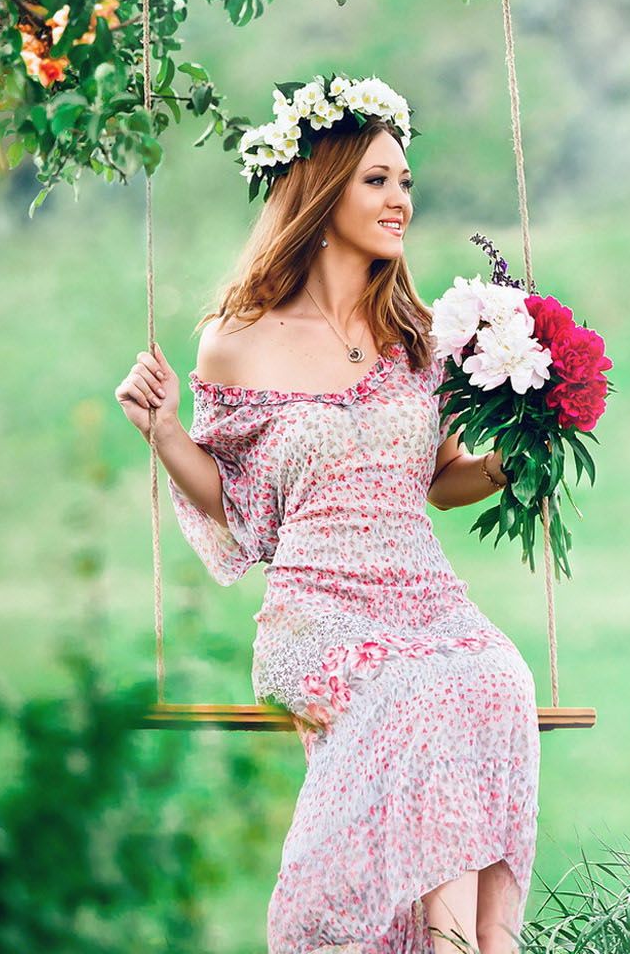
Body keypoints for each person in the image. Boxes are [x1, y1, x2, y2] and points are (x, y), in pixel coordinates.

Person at [113, 74, 539, 954]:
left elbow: (441, 478)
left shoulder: (420, 334)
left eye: (407, 182)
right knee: (420, 693)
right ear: (321, 187)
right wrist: (162, 433)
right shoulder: (239, 334)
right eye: (378, 179)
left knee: (498, 679)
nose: (401, 201)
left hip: (427, 596)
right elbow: (234, 498)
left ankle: (482, 944)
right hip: (320, 610)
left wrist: (508, 467)